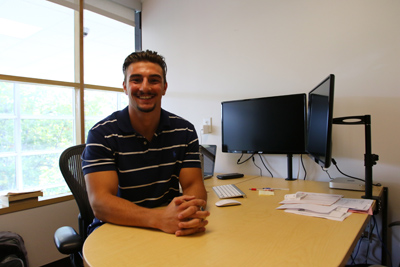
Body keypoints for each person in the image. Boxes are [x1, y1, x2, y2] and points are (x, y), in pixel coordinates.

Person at [81, 50, 210, 236]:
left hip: (169, 226)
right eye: (136, 79)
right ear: (125, 86)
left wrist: (188, 212)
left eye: (154, 80)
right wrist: (159, 219)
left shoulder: (185, 131)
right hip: (116, 228)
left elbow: (193, 185)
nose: (145, 87)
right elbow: (100, 203)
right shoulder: (101, 134)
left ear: (164, 87)